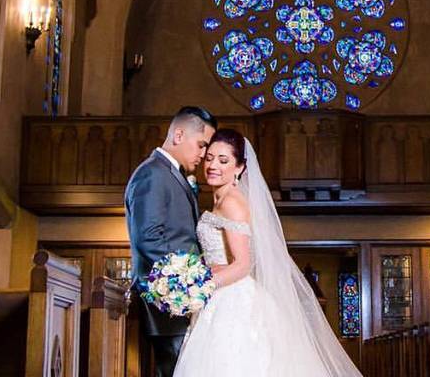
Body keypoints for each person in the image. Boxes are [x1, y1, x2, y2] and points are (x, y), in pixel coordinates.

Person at [173, 128, 363, 376]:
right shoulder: (221, 200)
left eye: (223, 160)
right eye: (209, 158)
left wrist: (199, 285)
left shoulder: (232, 202)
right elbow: (223, 258)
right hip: (220, 295)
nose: (212, 165)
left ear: (239, 168)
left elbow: (242, 264)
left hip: (231, 299)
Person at [125, 106, 217, 377]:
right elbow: (149, 239)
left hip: (179, 306)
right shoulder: (153, 174)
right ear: (179, 135)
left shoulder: (170, 173)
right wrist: (189, 284)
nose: (203, 155)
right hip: (166, 304)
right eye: (201, 145)